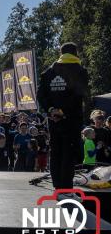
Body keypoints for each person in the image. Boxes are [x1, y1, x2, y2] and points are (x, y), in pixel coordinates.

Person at [37, 42, 89, 201]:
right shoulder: (80, 71)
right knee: (68, 152)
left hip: (53, 120)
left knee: (56, 151)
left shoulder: (48, 73)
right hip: (70, 119)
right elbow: (78, 95)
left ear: (61, 53)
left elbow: (40, 96)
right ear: (76, 53)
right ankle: (65, 190)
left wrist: (51, 110)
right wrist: (62, 112)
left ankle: (58, 187)